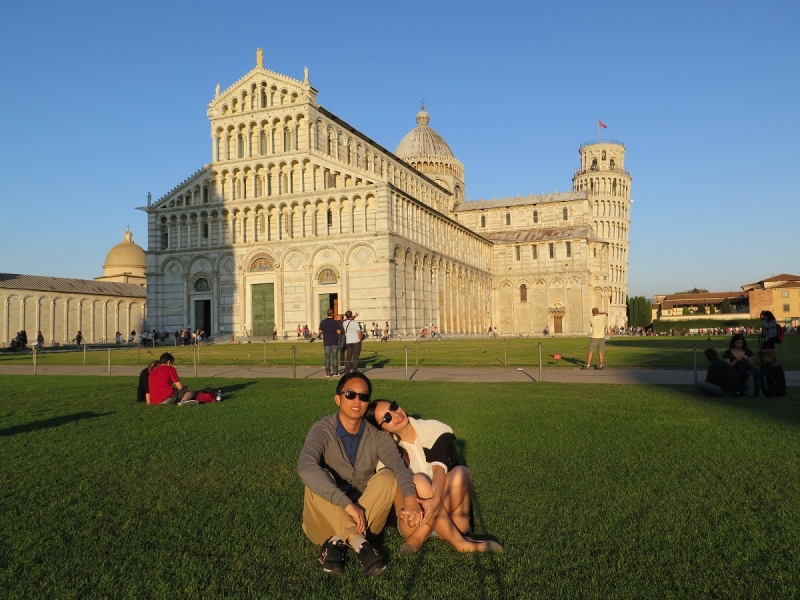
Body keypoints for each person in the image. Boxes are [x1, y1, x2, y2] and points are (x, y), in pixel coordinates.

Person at [297, 373, 422, 577]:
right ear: (338, 399)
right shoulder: (322, 429)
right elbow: (305, 467)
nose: (357, 401)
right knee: (317, 476)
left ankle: (338, 542)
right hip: (323, 525)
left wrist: (410, 497)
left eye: (364, 397)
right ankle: (359, 544)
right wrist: (345, 504)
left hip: (366, 520)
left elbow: (399, 467)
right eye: (350, 394)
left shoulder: (378, 437)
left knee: (388, 476)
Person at [365, 400, 503, 555]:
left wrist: (435, 500)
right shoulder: (386, 452)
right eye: (387, 418)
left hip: (454, 520)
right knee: (418, 480)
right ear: (382, 430)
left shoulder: (433, 429)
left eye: (394, 407)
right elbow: (396, 495)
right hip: (414, 521)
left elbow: (439, 470)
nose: (396, 415)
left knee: (462, 473)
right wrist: (403, 511)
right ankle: (461, 543)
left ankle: (417, 538)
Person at [318, 309, 343, 378]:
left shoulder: (323, 322)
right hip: (334, 341)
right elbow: (339, 332)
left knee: (327, 358)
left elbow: (320, 331)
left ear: (327, 314)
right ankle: (335, 372)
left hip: (326, 342)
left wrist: (325, 332)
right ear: (332, 315)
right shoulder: (335, 322)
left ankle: (327, 373)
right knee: (335, 357)